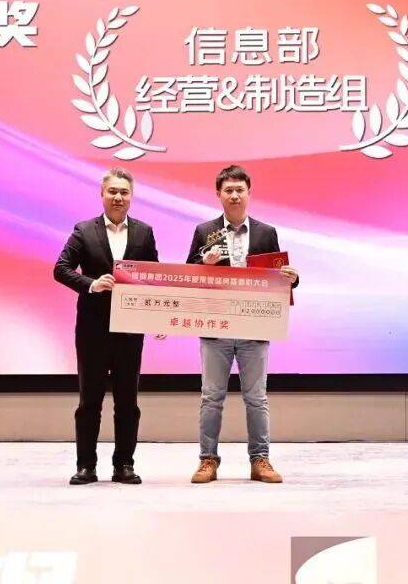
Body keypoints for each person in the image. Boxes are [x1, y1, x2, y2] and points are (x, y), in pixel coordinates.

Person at [185, 164, 299, 484]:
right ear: (218, 194)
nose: (234, 195)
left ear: (249, 193)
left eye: (240, 190)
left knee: (257, 398)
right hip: (215, 327)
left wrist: (293, 278)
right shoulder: (205, 231)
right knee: (211, 397)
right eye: (228, 190)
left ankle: (260, 460)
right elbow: (186, 276)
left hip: (255, 327)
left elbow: (278, 276)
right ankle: (207, 460)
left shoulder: (266, 232)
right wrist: (203, 263)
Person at [53, 167, 159, 485]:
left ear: (131, 197)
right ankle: (86, 466)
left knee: (128, 402)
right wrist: (91, 284)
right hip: (92, 330)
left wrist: (157, 317)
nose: (118, 197)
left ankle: (124, 465)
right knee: (90, 402)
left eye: (124, 192)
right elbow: (61, 268)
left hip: (130, 330)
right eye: (112, 191)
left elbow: (153, 278)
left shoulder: (144, 232)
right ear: (102, 194)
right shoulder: (84, 230)